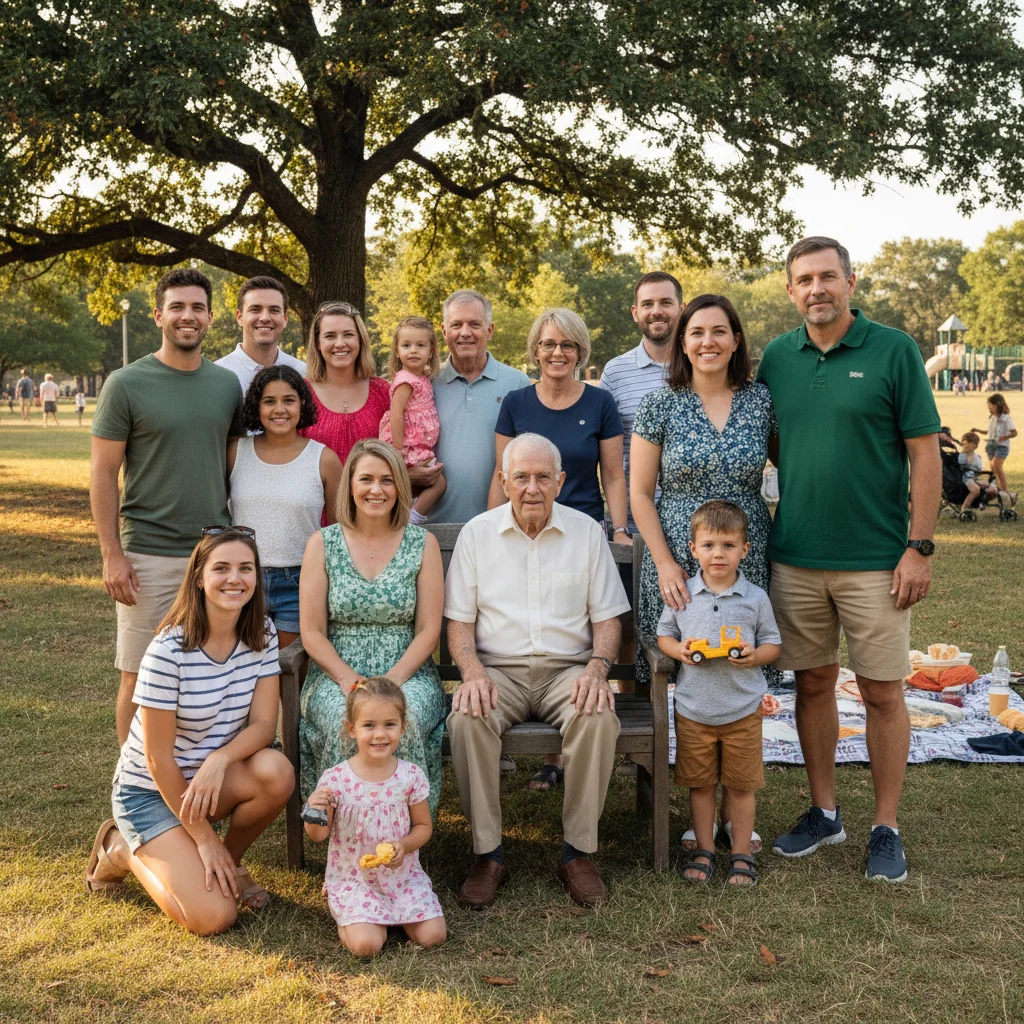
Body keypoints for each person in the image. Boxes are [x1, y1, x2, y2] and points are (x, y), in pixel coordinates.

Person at [756, 236, 941, 884]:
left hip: (877, 559)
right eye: (804, 279)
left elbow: (924, 454)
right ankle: (824, 811)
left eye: (828, 277)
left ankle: (885, 826)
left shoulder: (893, 351)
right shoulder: (777, 358)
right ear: (790, 290)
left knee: (884, 691)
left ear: (851, 282)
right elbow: (774, 442)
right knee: (811, 683)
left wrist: (918, 548)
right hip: (797, 554)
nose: (817, 289)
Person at [445, 433, 631, 909]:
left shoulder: (586, 531)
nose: (532, 487)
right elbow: (460, 625)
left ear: (561, 481)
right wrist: (471, 672)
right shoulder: (478, 534)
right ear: (504, 481)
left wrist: (597, 668)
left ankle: (578, 853)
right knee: (467, 719)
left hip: (567, 669)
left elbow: (608, 619)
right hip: (497, 672)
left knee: (597, 716)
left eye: (543, 476)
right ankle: (489, 854)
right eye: (521, 477)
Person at [84, 528, 295, 933]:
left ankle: (225, 866)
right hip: (151, 791)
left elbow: (265, 725)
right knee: (214, 918)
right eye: (222, 568)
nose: (235, 578)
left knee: (276, 771)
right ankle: (125, 848)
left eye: (245, 568)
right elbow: (157, 759)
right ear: (199, 577)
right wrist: (204, 838)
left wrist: (220, 758)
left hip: (207, 781)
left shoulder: (262, 634)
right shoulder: (169, 650)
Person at [630, 293, 779, 857]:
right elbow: (640, 492)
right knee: (681, 672)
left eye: (720, 331)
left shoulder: (761, 401)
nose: (708, 341)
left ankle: (738, 805)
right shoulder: (661, 403)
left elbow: (790, 470)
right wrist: (668, 562)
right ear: (682, 342)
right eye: (697, 332)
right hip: (674, 558)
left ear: (737, 340)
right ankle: (683, 807)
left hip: (744, 554)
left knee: (739, 672)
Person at [91, 267, 244, 748]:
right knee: (138, 678)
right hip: (150, 554)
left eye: (197, 307)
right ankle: (132, 793)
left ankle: (198, 779)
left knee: (210, 678)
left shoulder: (226, 386)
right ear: (158, 315)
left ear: (211, 317)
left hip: (214, 556)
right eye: (177, 306)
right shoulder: (125, 383)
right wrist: (112, 553)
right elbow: (102, 474)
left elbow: (233, 467)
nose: (187, 316)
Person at [487, 308, 629, 791]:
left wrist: (621, 528)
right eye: (549, 344)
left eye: (567, 345)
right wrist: (487, 530)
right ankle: (552, 758)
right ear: (536, 349)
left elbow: (613, 474)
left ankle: (566, 753)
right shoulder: (515, 403)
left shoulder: (601, 402)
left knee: (579, 636)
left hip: (580, 533)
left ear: (580, 351)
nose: (557, 353)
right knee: (534, 629)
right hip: (522, 535)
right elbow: (500, 474)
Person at [298, 438, 446, 815]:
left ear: (400, 487)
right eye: (366, 479)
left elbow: (429, 629)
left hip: (407, 669)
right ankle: (340, 827)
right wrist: (349, 680)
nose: (376, 490)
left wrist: (392, 681)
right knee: (342, 719)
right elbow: (312, 631)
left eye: (386, 480)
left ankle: (404, 830)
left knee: (403, 718)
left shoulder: (421, 544)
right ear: (350, 485)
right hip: (336, 671)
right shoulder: (323, 543)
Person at [656, 501, 781, 887]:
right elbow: (664, 636)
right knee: (701, 784)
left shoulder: (755, 597)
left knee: (741, 786)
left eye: (728, 545)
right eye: (709, 545)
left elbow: (774, 644)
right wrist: (679, 651)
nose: (718, 554)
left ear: (744, 549)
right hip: (694, 710)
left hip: (742, 709)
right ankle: (705, 848)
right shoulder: (683, 594)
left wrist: (754, 656)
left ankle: (741, 853)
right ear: (693, 549)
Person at [303, 676, 446, 957]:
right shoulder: (336, 780)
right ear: (352, 729)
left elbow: (423, 826)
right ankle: (344, 905)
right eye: (369, 725)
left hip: (401, 878)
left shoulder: (410, 776)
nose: (380, 734)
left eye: (389, 725)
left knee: (434, 936)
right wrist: (313, 809)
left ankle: (393, 913)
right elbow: (318, 836)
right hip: (355, 879)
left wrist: (404, 847)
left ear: (403, 728)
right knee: (367, 946)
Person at [228, 365, 342, 653]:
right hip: (242, 580)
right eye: (269, 401)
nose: (280, 409)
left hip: (300, 581)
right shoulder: (234, 453)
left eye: (289, 400)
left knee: (289, 675)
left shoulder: (324, 459)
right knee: (246, 673)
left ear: (302, 403)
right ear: (257, 405)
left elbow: (339, 533)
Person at [423, 290, 530, 524]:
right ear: (444, 331)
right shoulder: (425, 384)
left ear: (489, 330)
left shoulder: (517, 384)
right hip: (432, 528)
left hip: (499, 527)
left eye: (474, 324)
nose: (465, 333)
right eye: (456, 325)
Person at [599, 272, 685, 534]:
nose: (656, 311)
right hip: (632, 526)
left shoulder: (702, 367)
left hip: (695, 525)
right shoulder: (615, 373)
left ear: (682, 309)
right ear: (636, 313)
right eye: (648, 304)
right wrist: (620, 527)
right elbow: (606, 456)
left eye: (665, 303)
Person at [299, 301, 389, 468]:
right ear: (318, 343)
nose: (340, 343)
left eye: (348, 334)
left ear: (360, 340)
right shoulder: (300, 396)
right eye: (330, 336)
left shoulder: (384, 392)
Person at [378, 316, 446, 523]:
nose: (413, 350)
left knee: (422, 484)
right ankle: (413, 518)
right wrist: (399, 450)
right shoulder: (405, 381)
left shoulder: (422, 378)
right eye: (406, 345)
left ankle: (405, 515)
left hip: (417, 446)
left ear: (431, 351)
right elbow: (396, 414)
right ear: (397, 351)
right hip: (407, 446)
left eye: (420, 345)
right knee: (439, 483)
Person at [215, 276, 307, 393]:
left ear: (285, 319)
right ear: (239, 317)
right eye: (255, 309)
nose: (265, 318)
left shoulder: (303, 374)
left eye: (274, 310)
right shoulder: (217, 376)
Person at [973, 394, 1017, 502]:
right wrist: (978, 430)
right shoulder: (992, 418)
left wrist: (1004, 437)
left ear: (997, 405)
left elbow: (1014, 433)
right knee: (993, 470)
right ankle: (998, 490)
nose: (989, 408)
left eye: (990, 405)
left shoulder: (1005, 418)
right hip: (991, 446)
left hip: (1002, 447)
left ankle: (1006, 492)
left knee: (997, 467)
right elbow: (990, 432)